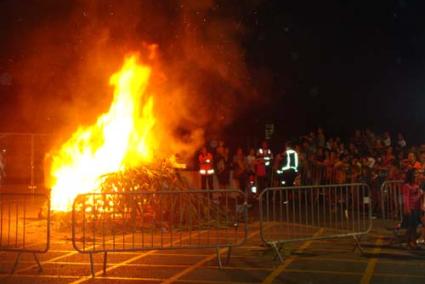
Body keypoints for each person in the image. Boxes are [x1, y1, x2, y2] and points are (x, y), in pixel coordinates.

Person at [402, 169, 423, 249]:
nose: (417, 175)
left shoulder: (417, 185)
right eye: (415, 173)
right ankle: (408, 242)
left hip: (416, 208)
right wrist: (407, 208)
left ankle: (413, 242)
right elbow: (406, 198)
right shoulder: (407, 186)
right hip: (411, 208)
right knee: (410, 227)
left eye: (417, 173)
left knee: (414, 226)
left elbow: (418, 197)